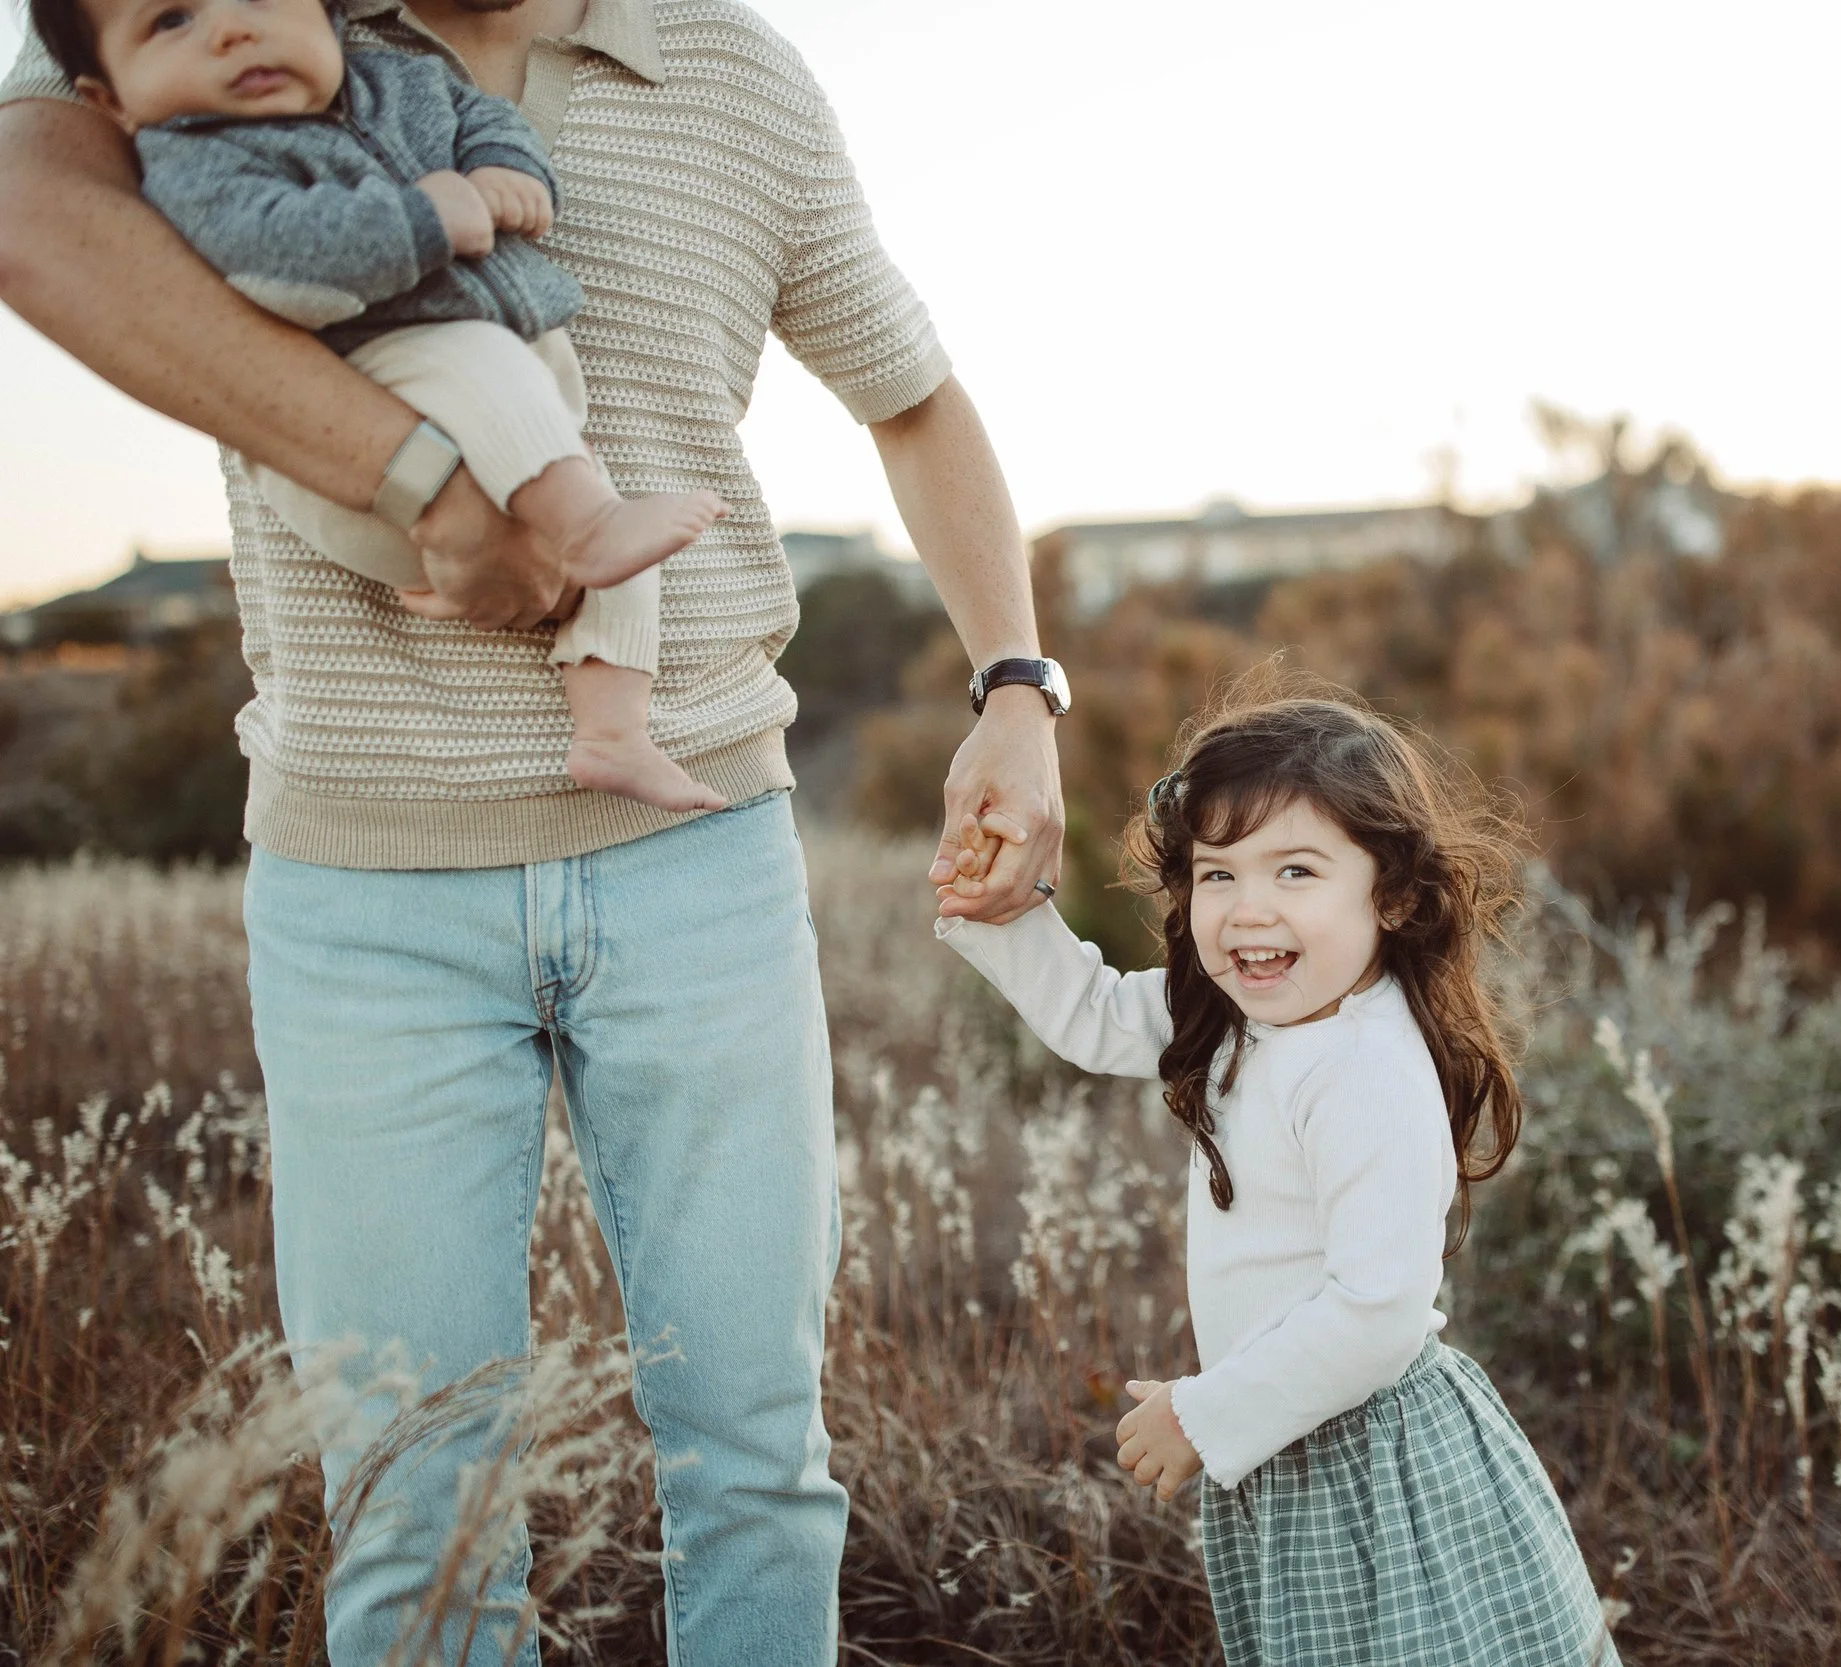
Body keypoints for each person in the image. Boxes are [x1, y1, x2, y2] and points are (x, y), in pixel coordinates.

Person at [0, 0, 1067, 1659]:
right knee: (417, 1511)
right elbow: (22, 199)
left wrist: (1015, 684)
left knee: (759, 1464)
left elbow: (914, 398)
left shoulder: (735, 75)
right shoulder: (240, 29)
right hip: (365, 888)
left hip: (700, 850)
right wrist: (425, 472)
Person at [934, 684, 1622, 1667]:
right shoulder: (1241, 1012)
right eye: (1217, 874)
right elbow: (1092, 1013)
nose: (1247, 909)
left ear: (1389, 892)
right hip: (1295, 1434)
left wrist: (1207, 1410)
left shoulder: (1363, 1065)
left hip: (1373, 1457)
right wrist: (999, 909)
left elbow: (1379, 1307)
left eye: (1295, 869)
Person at [31, 0, 731, 811]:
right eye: (171, 21)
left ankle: (612, 731)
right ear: (109, 98)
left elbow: (483, 122)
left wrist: (510, 172)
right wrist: (425, 218)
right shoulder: (194, 157)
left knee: (625, 540)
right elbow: (276, 262)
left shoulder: (400, 80)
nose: (230, 28)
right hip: (368, 384)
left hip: (498, 400)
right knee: (538, 434)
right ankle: (587, 526)